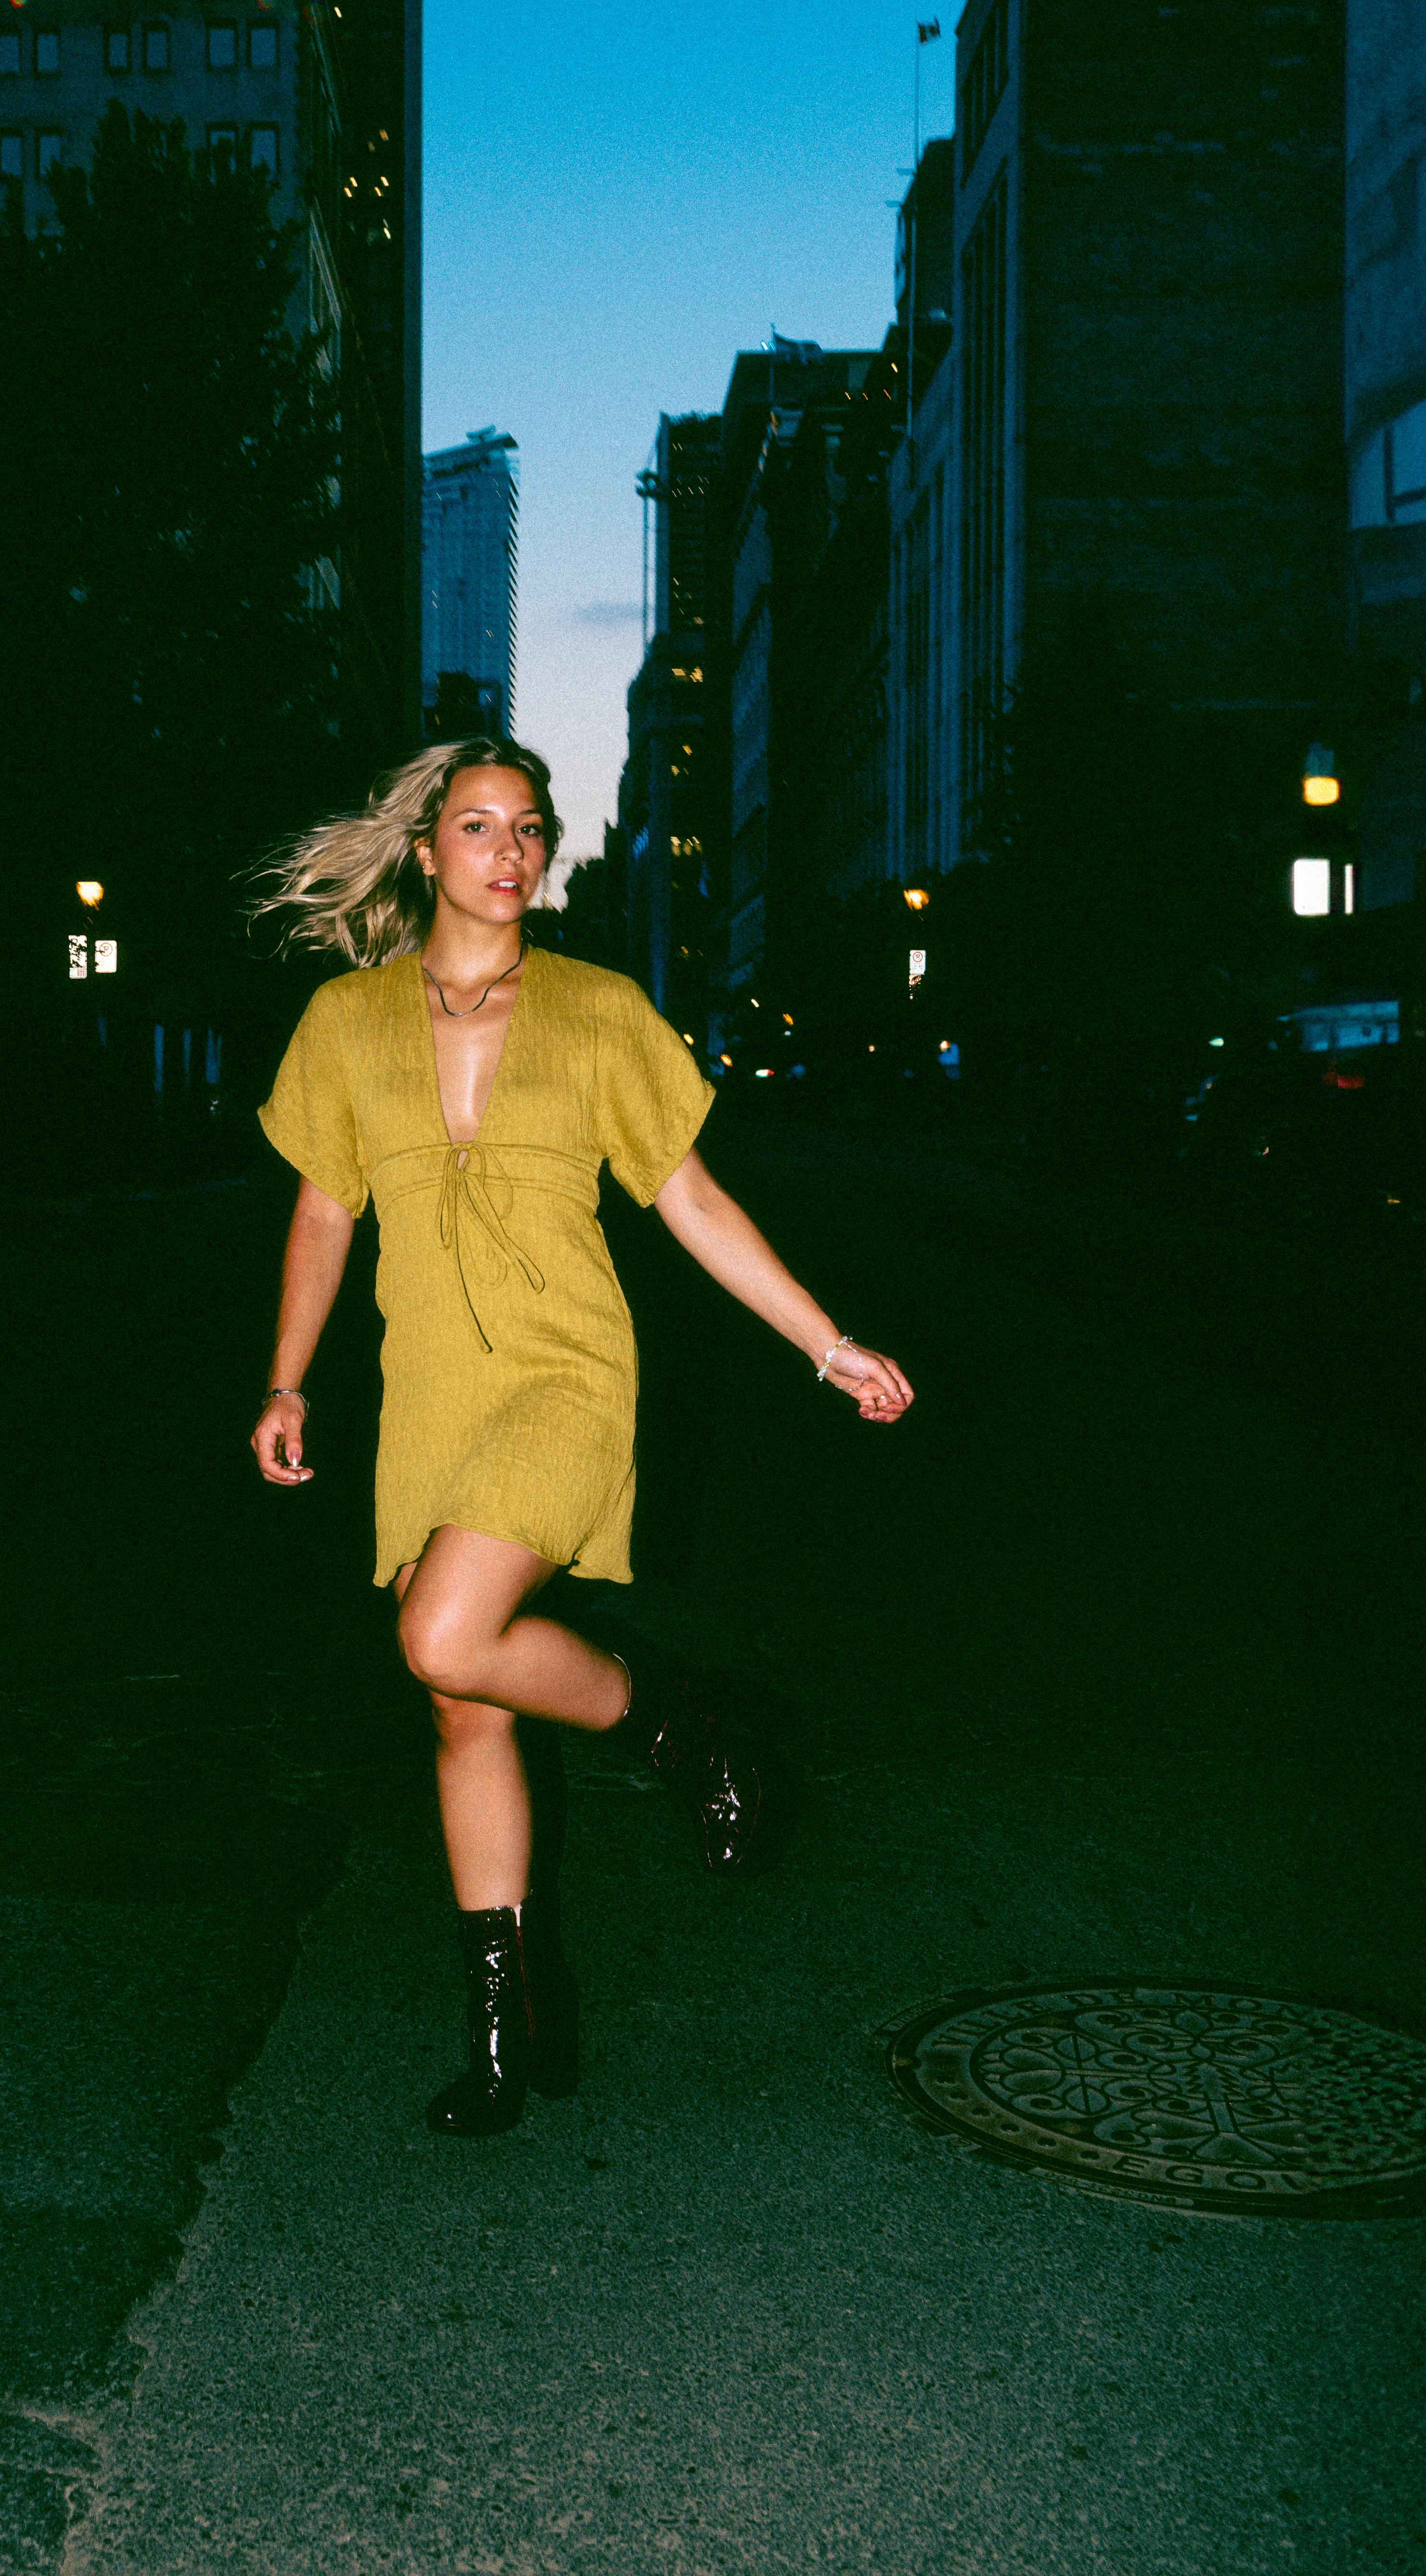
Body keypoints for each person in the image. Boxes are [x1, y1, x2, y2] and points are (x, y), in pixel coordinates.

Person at [248, 738, 913, 2138]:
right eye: (479, 826)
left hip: (563, 1373)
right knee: (460, 1699)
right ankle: (508, 2026)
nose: (510, 850)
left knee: (439, 1632)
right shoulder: (344, 1021)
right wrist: (289, 1380)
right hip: (427, 1385)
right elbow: (322, 1209)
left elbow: (691, 1201)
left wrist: (823, 1338)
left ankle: (679, 1719)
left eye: (530, 828)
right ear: (424, 847)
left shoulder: (603, 1011)